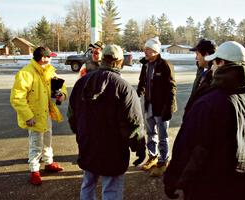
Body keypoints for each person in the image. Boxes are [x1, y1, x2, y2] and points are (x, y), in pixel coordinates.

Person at [164, 41, 245, 200]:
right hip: (244, 186)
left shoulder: (209, 103)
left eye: (214, 63)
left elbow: (190, 148)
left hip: (210, 188)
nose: (211, 68)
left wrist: (173, 179)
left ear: (221, 63)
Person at [68, 44, 146, 200]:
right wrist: (139, 147)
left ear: (102, 59)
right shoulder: (124, 88)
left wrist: (81, 133)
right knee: (111, 188)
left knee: (88, 182)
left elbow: (71, 114)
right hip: (114, 149)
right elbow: (133, 123)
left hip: (88, 144)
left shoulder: (82, 82)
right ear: (119, 62)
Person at [10, 47, 67, 185]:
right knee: (36, 144)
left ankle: (48, 163)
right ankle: (34, 170)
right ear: (43, 58)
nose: (51, 58)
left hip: (46, 114)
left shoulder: (49, 70)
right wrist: (28, 116)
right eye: (50, 56)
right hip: (34, 117)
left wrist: (61, 95)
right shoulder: (25, 74)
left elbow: (60, 87)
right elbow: (17, 98)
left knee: (47, 140)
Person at [137, 36, 177, 177]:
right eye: (145, 49)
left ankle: (163, 160)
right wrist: (137, 94)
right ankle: (152, 157)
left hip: (162, 107)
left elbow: (172, 87)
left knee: (162, 135)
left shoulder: (165, 65)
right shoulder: (146, 65)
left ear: (155, 51)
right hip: (149, 105)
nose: (145, 52)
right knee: (150, 133)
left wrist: (169, 108)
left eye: (148, 50)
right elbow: (142, 82)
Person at [184, 39, 216, 115]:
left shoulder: (213, 77)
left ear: (207, 55)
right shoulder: (203, 72)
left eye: (197, 54)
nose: (196, 58)